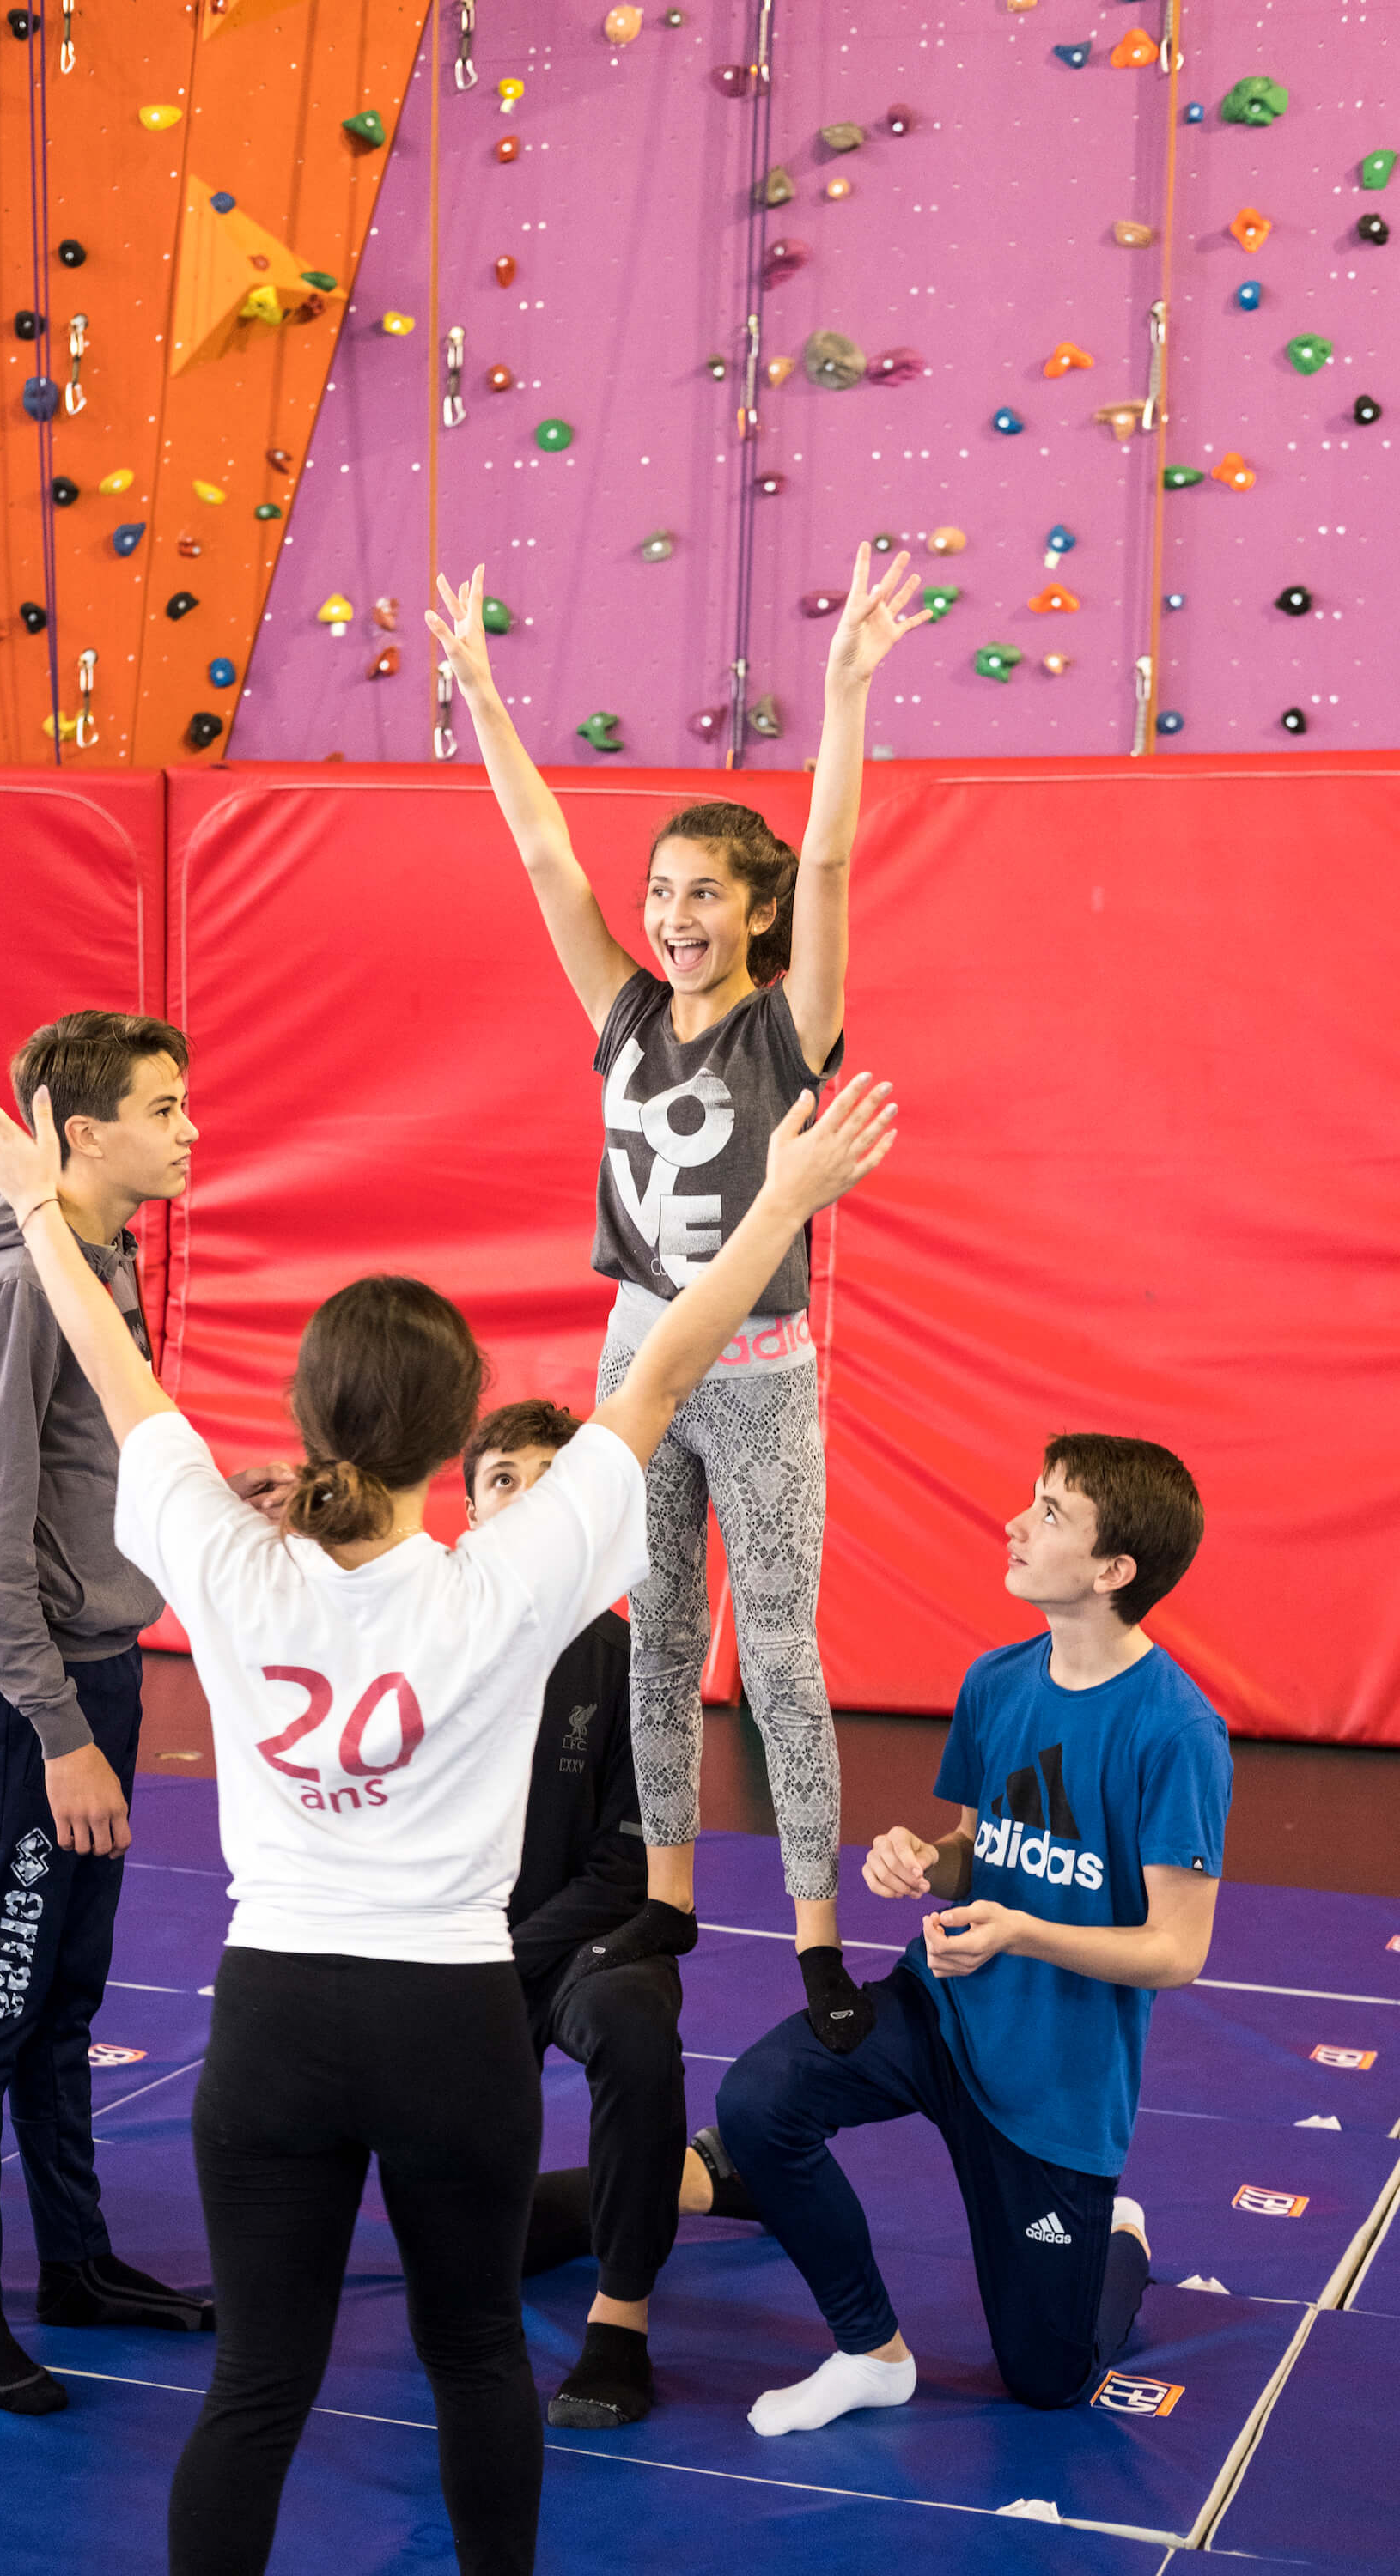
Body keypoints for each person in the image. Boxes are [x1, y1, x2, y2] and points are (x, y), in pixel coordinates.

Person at [0, 1057, 897, 2576]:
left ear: (311, 1414)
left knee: (255, 2388)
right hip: (448, 2022)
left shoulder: (224, 1552)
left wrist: (27, 1201)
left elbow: (120, 1376)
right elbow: (657, 1376)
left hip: (273, 2023)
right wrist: (783, 1198)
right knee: (473, 2362)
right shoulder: (506, 1577)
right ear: (457, 1448)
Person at [426, 548, 931, 2057]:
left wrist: (842, 695)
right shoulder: (629, 1016)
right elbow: (543, 862)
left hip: (761, 1368)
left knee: (776, 1650)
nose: (671, 915)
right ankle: (666, 1886)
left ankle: (818, 1929)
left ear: (759, 908)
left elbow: (836, 865)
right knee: (654, 1630)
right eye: (662, 892)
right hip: (640, 1344)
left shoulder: (792, 1028)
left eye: (704, 894)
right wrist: (484, 700)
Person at [715, 1435, 1231, 2433]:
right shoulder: (997, 1681)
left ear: (1112, 1570)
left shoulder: (1175, 1732)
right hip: (942, 2008)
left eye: (1048, 1513)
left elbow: (1177, 1950)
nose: (1014, 1522)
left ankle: (1112, 2245)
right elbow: (972, 1845)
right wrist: (916, 1855)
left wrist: (1022, 1933)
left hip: (1054, 2082)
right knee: (758, 2103)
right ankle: (870, 2352)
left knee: (1045, 2376)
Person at [0, 1011, 210, 2418]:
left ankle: (78, 2265)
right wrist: (56, 1733)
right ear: (81, 1135)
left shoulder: (100, 1256)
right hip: (40, 1691)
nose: (189, 1128)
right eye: (164, 1108)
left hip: (101, 1662)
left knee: (67, 1997)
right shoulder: (22, 1290)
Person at [460, 1400, 760, 2434]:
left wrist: (495, 1960)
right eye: (503, 1477)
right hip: (452, 1946)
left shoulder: (642, 1667)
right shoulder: (419, 1638)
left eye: (553, 1477)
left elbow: (628, 1869)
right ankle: (700, 2180)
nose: (527, 1495)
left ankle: (619, 2319)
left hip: (582, 1943)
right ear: (465, 1510)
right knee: (464, 2253)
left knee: (634, 2029)